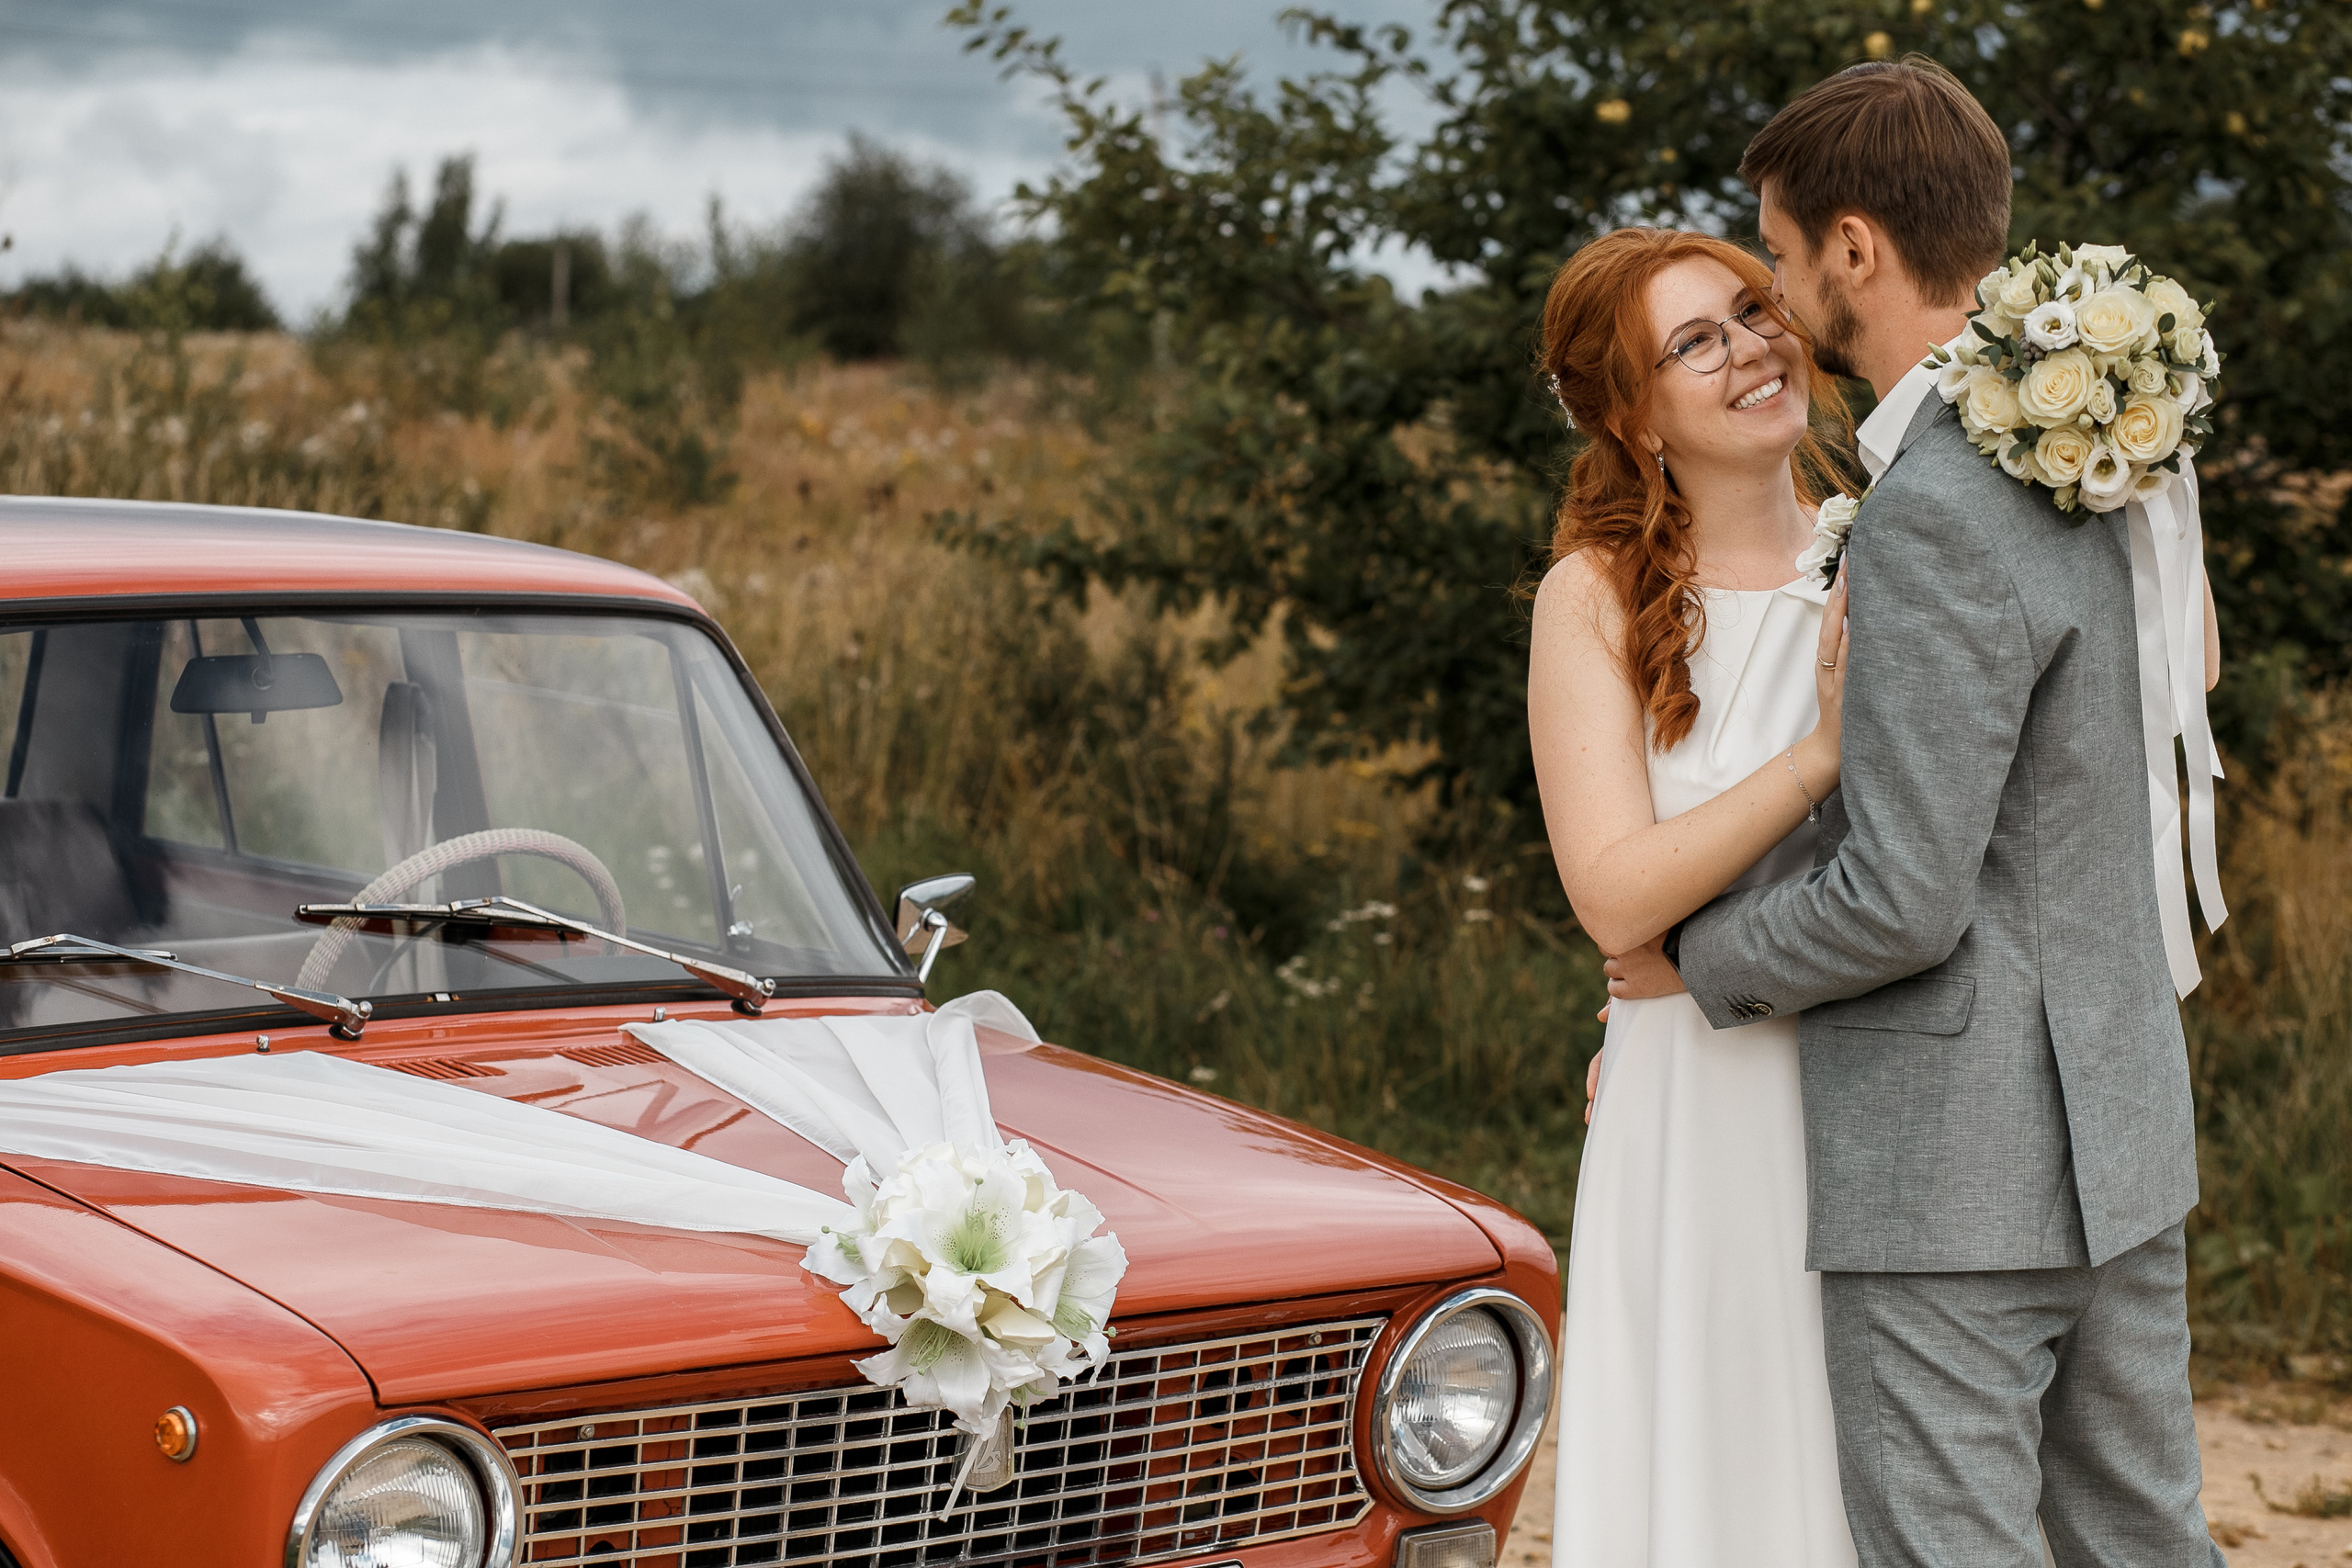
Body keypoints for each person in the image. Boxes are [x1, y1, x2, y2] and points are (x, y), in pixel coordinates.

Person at [1545, 58, 2224, 1568]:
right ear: (1630, 411)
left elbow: (1907, 893)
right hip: (2091, 1121)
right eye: (1701, 338)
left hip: (1934, 1153)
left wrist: (1693, 965)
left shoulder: (1917, 508)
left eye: (1772, 269)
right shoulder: (2091, 462)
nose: (1771, 318)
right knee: (2140, 1539)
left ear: (1853, 248)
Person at [1531, 226, 1860, 1564]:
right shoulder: (1596, 599)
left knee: (1847, 1466)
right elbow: (1614, 900)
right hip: (1689, 1103)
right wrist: (1818, 757)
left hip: (1864, 1081)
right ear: (1634, 414)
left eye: (1752, 309)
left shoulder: (1886, 551)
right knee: (1703, 1459)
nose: (1750, 349)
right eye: (1696, 342)